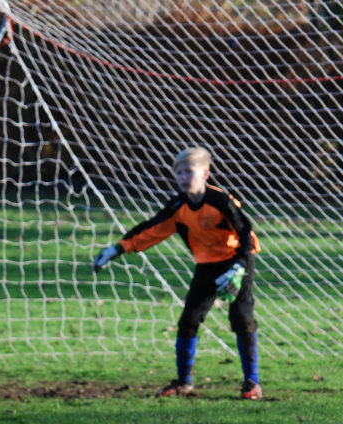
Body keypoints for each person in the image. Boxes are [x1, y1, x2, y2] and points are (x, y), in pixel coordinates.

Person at [91, 147, 262, 399]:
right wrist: (118, 249)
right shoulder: (178, 206)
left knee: (241, 318)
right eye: (179, 172)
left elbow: (246, 235)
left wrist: (238, 268)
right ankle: (184, 382)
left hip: (236, 262)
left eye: (188, 171)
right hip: (206, 265)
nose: (183, 177)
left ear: (205, 173)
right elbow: (151, 229)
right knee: (189, 321)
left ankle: (252, 383)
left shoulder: (221, 201)